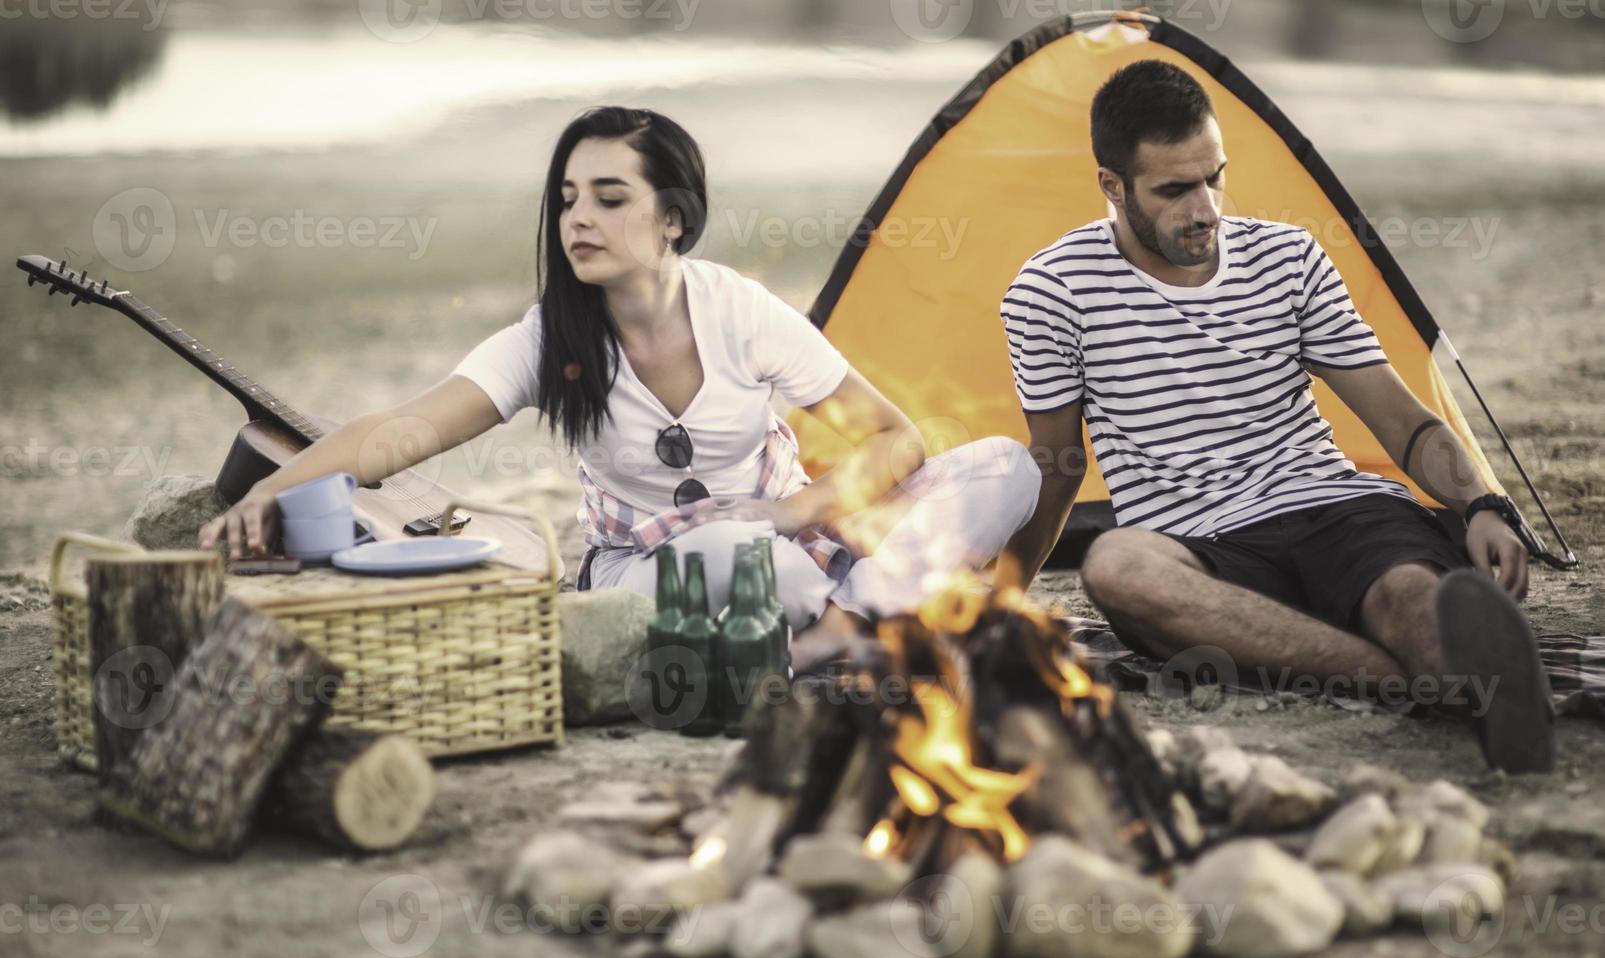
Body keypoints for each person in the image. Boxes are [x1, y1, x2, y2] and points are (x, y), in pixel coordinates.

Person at [200, 106, 1042, 664]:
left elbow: (898, 439)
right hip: (645, 568)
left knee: (1006, 466)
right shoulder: (549, 337)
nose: (578, 220)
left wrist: (794, 510)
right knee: (747, 563)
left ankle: (837, 633)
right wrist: (271, 490)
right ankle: (872, 622)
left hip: (798, 537)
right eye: (567, 199)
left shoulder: (740, 311)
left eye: (608, 198)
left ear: (671, 216)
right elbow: (397, 432)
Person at [993, 61, 1555, 772]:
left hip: (1336, 513)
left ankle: (1470, 678)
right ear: (1112, 186)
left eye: (1212, 178)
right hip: (1196, 548)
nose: (1203, 209)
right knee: (1114, 563)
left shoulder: (1289, 258)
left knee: (1412, 596)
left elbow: (1400, 419)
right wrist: (998, 600)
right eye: (1173, 190)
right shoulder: (1049, 291)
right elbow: (1057, 466)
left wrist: (1482, 500)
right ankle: (1415, 680)